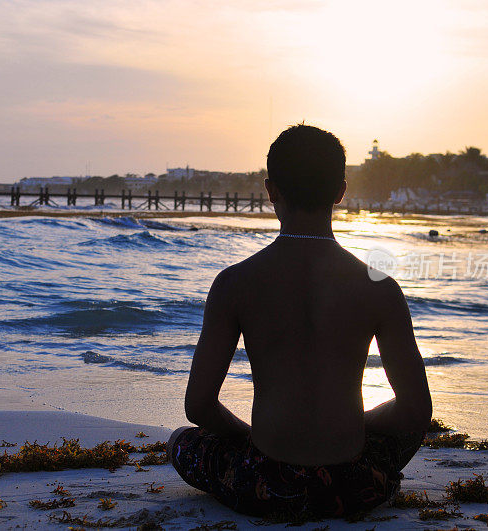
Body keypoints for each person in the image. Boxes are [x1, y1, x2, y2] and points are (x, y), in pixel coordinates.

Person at [168, 125, 432, 519]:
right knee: (406, 429)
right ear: (341, 192)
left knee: (180, 441)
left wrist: (248, 435)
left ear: (271, 191)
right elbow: (415, 412)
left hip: (266, 486)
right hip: (353, 486)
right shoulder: (380, 288)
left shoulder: (234, 283)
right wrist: (362, 423)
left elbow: (199, 407)